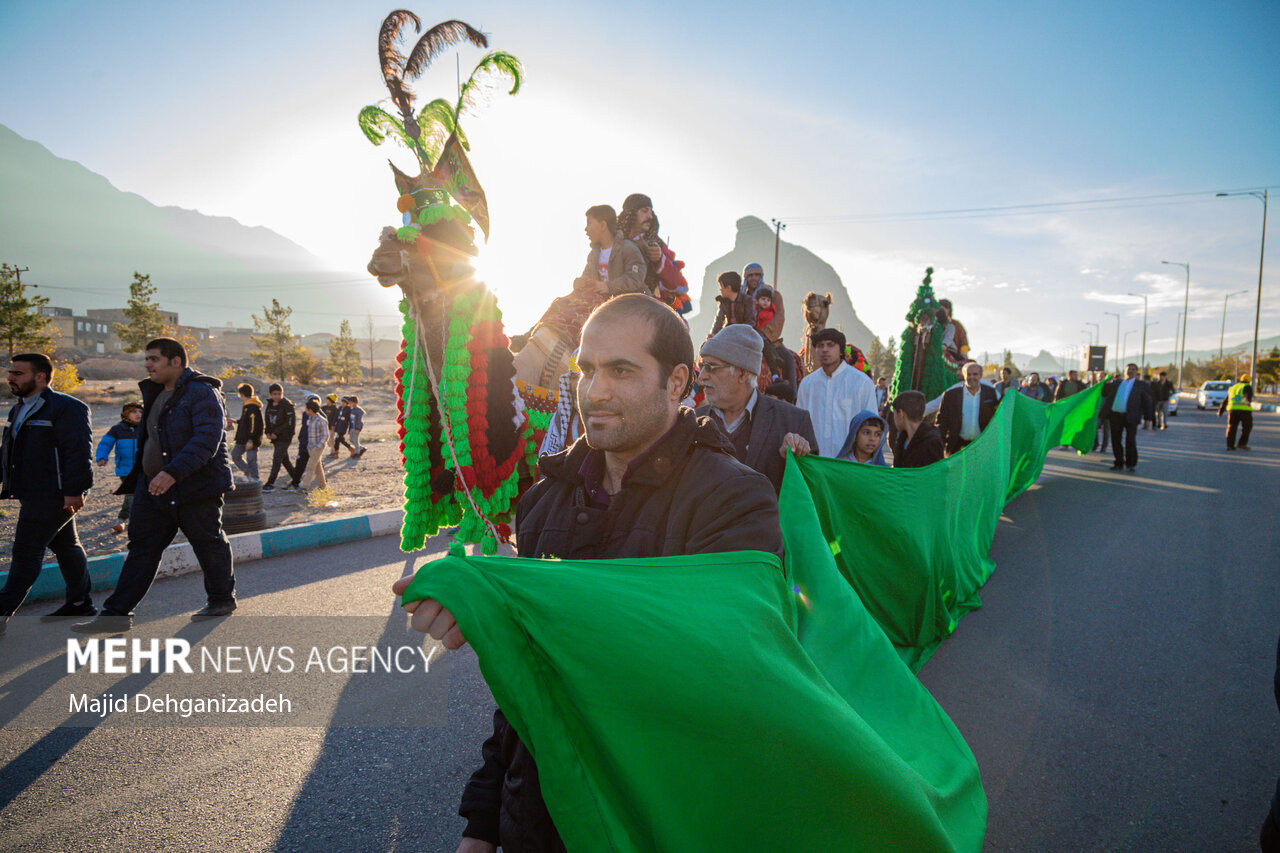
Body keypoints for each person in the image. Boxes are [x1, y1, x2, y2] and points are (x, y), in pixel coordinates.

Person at [394, 293, 781, 852]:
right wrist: (481, 821)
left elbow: (727, 674)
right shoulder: (541, 505)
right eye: (587, 369)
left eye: (621, 371)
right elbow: (526, 685)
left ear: (676, 382)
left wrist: (516, 598)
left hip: (659, 818)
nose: (594, 391)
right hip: (540, 820)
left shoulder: (735, 501)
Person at [73, 338, 235, 634]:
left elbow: (206, 440)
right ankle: (116, 613)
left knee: (208, 542)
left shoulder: (202, 392)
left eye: (153, 359)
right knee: (143, 547)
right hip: (153, 487)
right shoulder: (156, 392)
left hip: (194, 486)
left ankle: (221, 599)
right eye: (146, 359)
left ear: (176, 361)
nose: (147, 365)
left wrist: (172, 472)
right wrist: (145, 477)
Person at [0, 353, 95, 633]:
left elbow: (78, 453)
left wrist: (75, 490)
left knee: (26, 551)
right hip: (32, 491)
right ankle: (80, 602)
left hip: (54, 493)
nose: (10, 377)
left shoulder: (67, 408)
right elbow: (10, 451)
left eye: (18, 373)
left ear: (39, 376)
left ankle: (3, 611)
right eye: (11, 372)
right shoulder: (19, 408)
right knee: (65, 545)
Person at [694, 324, 818, 492]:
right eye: (702, 366)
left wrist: (794, 459)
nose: (702, 377)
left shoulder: (793, 422)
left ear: (743, 373)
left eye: (712, 367)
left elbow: (808, 495)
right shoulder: (692, 423)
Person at [796, 327, 879, 457]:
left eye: (830, 345)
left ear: (841, 350)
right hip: (814, 463)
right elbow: (799, 425)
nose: (825, 349)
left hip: (849, 465)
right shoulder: (807, 384)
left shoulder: (862, 383)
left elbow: (872, 426)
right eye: (820, 346)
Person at [618, 193, 690, 313]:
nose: (650, 216)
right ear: (631, 213)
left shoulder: (657, 244)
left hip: (650, 308)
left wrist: (659, 259)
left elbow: (676, 282)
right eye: (645, 211)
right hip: (618, 304)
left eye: (651, 212)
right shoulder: (615, 241)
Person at [745, 263, 796, 387]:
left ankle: (792, 396)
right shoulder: (742, 297)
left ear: (761, 276)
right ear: (745, 277)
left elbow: (779, 318)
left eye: (757, 275)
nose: (754, 278)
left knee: (789, 359)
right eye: (750, 275)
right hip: (746, 337)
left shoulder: (774, 295)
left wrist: (763, 333)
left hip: (769, 339)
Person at [97, 401, 142, 534]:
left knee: (140, 494)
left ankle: (128, 520)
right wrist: (102, 457)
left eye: (140, 411)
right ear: (126, 414)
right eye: (134, 412)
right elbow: (105, 443)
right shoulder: (118, 429)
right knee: (132, 493)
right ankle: (122, 520)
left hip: (144, 467)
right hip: (126, 469)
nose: (138, 414)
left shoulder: (146, 428)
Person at [937, 361, 1000, 455]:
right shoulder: (951, 395)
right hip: (957, 447)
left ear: (981, 375)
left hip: (982, 446)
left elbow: (997, 416)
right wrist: (939, 447)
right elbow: (942, 421)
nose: (972, 377)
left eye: (975, 374)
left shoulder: (990, 393)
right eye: (968, 374)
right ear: (964, 375)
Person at [1100, 363, 1153, 472]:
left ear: (1136, 372)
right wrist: (1104, 381)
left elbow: (1147, 402)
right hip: (1115, 415)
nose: (1130, 371)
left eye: (1133, 369)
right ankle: (1118, 462)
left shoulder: (1141, 385)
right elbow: (1105, 394)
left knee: (1130, 440)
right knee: (1115, 440)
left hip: (1131, 416)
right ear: (1125, 371)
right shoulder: (1117, 383)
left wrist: (1148, 419)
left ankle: (1131, 464)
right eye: (1129, 369)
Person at [890, 390, 944, 468]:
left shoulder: (931, 442)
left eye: (894, 413)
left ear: (901, 413)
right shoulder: (903, 438)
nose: (894, 418)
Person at [261, 383, 297, 492]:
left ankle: (270, 483)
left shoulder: (287, 405)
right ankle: (297, 479)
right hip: (275, 437)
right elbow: (267, 419)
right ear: (270, 394)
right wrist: (268, 431)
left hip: (285, 437)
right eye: (274, 394)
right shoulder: (270, 404)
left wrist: (276, 432)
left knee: (277, 459)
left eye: (279, 394)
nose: (277, 396)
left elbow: (290, 423)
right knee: (284, 460)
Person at [228, 382, 263, 481]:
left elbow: (253, 424)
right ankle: (249, 473)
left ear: (242, 394)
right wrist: (235, 421)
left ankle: (255, 480)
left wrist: (251, 440)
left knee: (251, 459)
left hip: (250, 439)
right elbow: (245, 421)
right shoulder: (247, 405)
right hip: (243, 438)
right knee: (235, 455)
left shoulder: (253, 406)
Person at [709, 270, 756, 335]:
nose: (720, 290)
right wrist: (713, 334)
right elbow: (719, 320)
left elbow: (750, 321)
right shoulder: (723, 302)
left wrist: (740, 332)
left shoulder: (747, 300)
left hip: (744, 334)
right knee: (706, 344)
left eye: (721, 287)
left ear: (728, 288)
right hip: (729, 332)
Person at [1218, 373, 1254, 450]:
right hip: (1244, 410)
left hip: (1232, 410)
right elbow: (1248, 397)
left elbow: (1226, 400)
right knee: (1247, 427)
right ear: (1248, 381)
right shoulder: (1247, 386)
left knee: (1231, 428)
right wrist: (1248, 402)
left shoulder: (1233, 387)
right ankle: (1242, 443)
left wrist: (1220, 411)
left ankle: (1230, 446)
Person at [299, 398, 330, 490]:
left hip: (317, 447)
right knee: (317, 467)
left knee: (310, 466)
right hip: (311, 447)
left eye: (306, 408)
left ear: (310, 410)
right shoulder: (310, 419)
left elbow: (325, 435)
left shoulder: (321, 420)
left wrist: (318, 446)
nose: (305, 410)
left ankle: (304, 486)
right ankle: (322, 486)